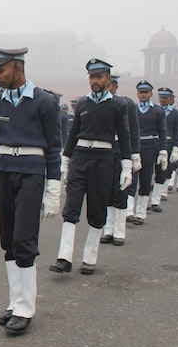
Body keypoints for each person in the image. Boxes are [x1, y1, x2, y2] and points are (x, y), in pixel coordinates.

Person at [0, 47, 61, 335]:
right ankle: (14, 302)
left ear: (17, 67)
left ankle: (26, 308)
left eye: (1, 69)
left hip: (31, 173)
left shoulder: (44, 101)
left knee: (25, 239)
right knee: (8, 241)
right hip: (4, 172)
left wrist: (54, 184)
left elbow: (54, 145)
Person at [48, 59, 131, 276]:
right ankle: (64, 257)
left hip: (103, 160)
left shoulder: (118, 105)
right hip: (80, 158)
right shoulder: (83, 103)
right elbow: (74, 133)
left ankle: (89, 257)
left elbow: (124, 136)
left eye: (99, 77)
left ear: (108, 79)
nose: (95, 81)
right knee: (71, 208)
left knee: (97, 208)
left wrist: (128, 165)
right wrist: (65, 160)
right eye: (92, 77)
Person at [100, 74, 140, 246]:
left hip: (121, 148)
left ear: (115, 86)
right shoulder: (99, 104)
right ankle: (108, 229)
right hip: (105, 150)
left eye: (111, 85)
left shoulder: (126, 104)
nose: (109, 88)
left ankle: (119, 231)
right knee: (106, 191)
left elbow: (134, 130)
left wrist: (134, 154)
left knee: (121, 189)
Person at [128, 81, 167, 225]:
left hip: (150, 146)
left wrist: (163, 150)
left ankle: (140, 213)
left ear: (151, 94)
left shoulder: (157, 110)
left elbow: (162, 131)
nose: (143, 95)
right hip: (134, 146)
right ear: (137, 93)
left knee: (145, 179)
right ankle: (129, 211)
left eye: (146, 92)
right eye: (141, 92)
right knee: (130, 178)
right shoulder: (132, 109)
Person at [149, 87, 178, 213]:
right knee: (147, 172)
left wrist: (176, 147)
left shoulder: (176, 114)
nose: (162, 100)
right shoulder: (154, 110)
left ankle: (155, 200)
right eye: (161, 97)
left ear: (170, 99)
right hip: (153, 143)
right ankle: (147, 199)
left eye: (165, 98)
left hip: (168, 144)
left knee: (162, 172)